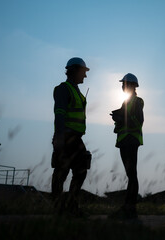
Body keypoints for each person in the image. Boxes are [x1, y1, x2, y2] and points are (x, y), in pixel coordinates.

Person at [51, 57, 92, 217]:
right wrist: (59, 137)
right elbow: (59, 113)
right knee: (61, 172)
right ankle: (59, 209)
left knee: (81, 171)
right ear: (74, 70)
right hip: (66, 136)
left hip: (76, 138)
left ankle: (71, 206)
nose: (85, 76)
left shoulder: (77, 92)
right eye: (83, 72)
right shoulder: (64, 89)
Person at [110, 73, 144, 219]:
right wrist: (118, 120)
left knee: (132, 175)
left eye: (124, 84)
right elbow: (122, 123)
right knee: (131, 175)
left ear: (131, 86)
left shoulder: (136, 102)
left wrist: (121, 119)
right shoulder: (126, 102)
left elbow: (138, 121)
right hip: (125, 141)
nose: (122, 86)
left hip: (130, 140)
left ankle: (130, 209)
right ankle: (129, 208)